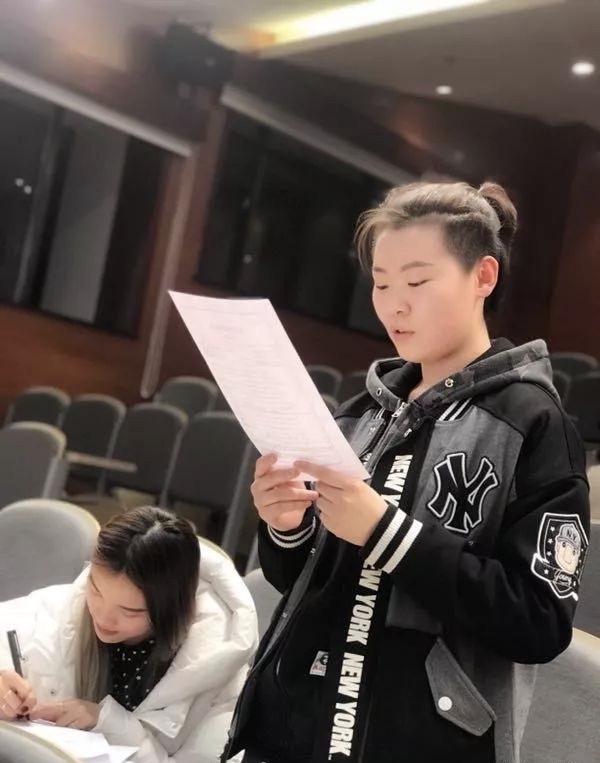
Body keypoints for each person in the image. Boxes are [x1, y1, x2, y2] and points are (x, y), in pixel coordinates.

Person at [222, 181, 590, 763]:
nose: (394, 304)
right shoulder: (359, 414)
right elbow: (299, 577)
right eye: (382, 283)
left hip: (419, 741)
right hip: (293, 729)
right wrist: (286, 527)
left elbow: (537, 623)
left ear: (483, 277)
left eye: (417, 283)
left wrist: (385, 533)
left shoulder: (532, 424)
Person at [0, 506, 258, 763]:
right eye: (96, 590)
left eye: (130, 611)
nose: (103, 617)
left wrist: (111, 724)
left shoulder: (221, 671)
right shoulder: (60, 607)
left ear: (175, 609)